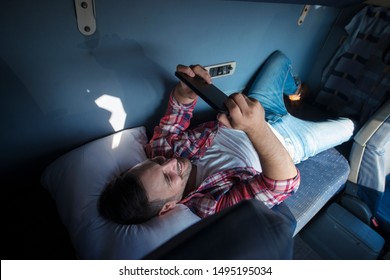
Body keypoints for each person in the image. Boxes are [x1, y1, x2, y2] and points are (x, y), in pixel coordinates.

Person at [98, 51, 355, 224]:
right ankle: (295, 103)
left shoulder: (159, 152)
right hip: (289, 140)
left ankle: (295, 92)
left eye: (155, 164)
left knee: (281, 59)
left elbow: (178, 109)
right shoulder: (211, 207)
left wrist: (187, 91)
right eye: (167, 177)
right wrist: (256, 129)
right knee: (349, 126)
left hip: (252, 110)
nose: (169, 162)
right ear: (167, 208)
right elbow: (283, 185)